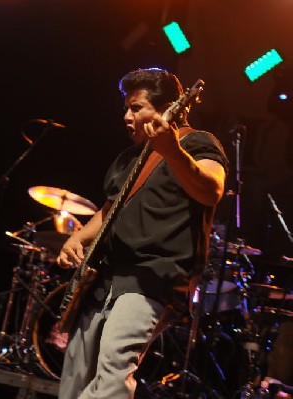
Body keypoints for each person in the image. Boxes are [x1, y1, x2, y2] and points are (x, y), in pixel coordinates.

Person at [56, 68, 228, 399]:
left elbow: (212, 190)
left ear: (170, 109)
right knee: (75, 375)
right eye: (126, 108)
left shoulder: (197, 142)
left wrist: (172, 150)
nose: (126, 116)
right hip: (104, 277)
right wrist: (77, 238)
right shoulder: (129, 158)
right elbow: (110, 209)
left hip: (152, 275)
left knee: (113, 367)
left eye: (136, 108)